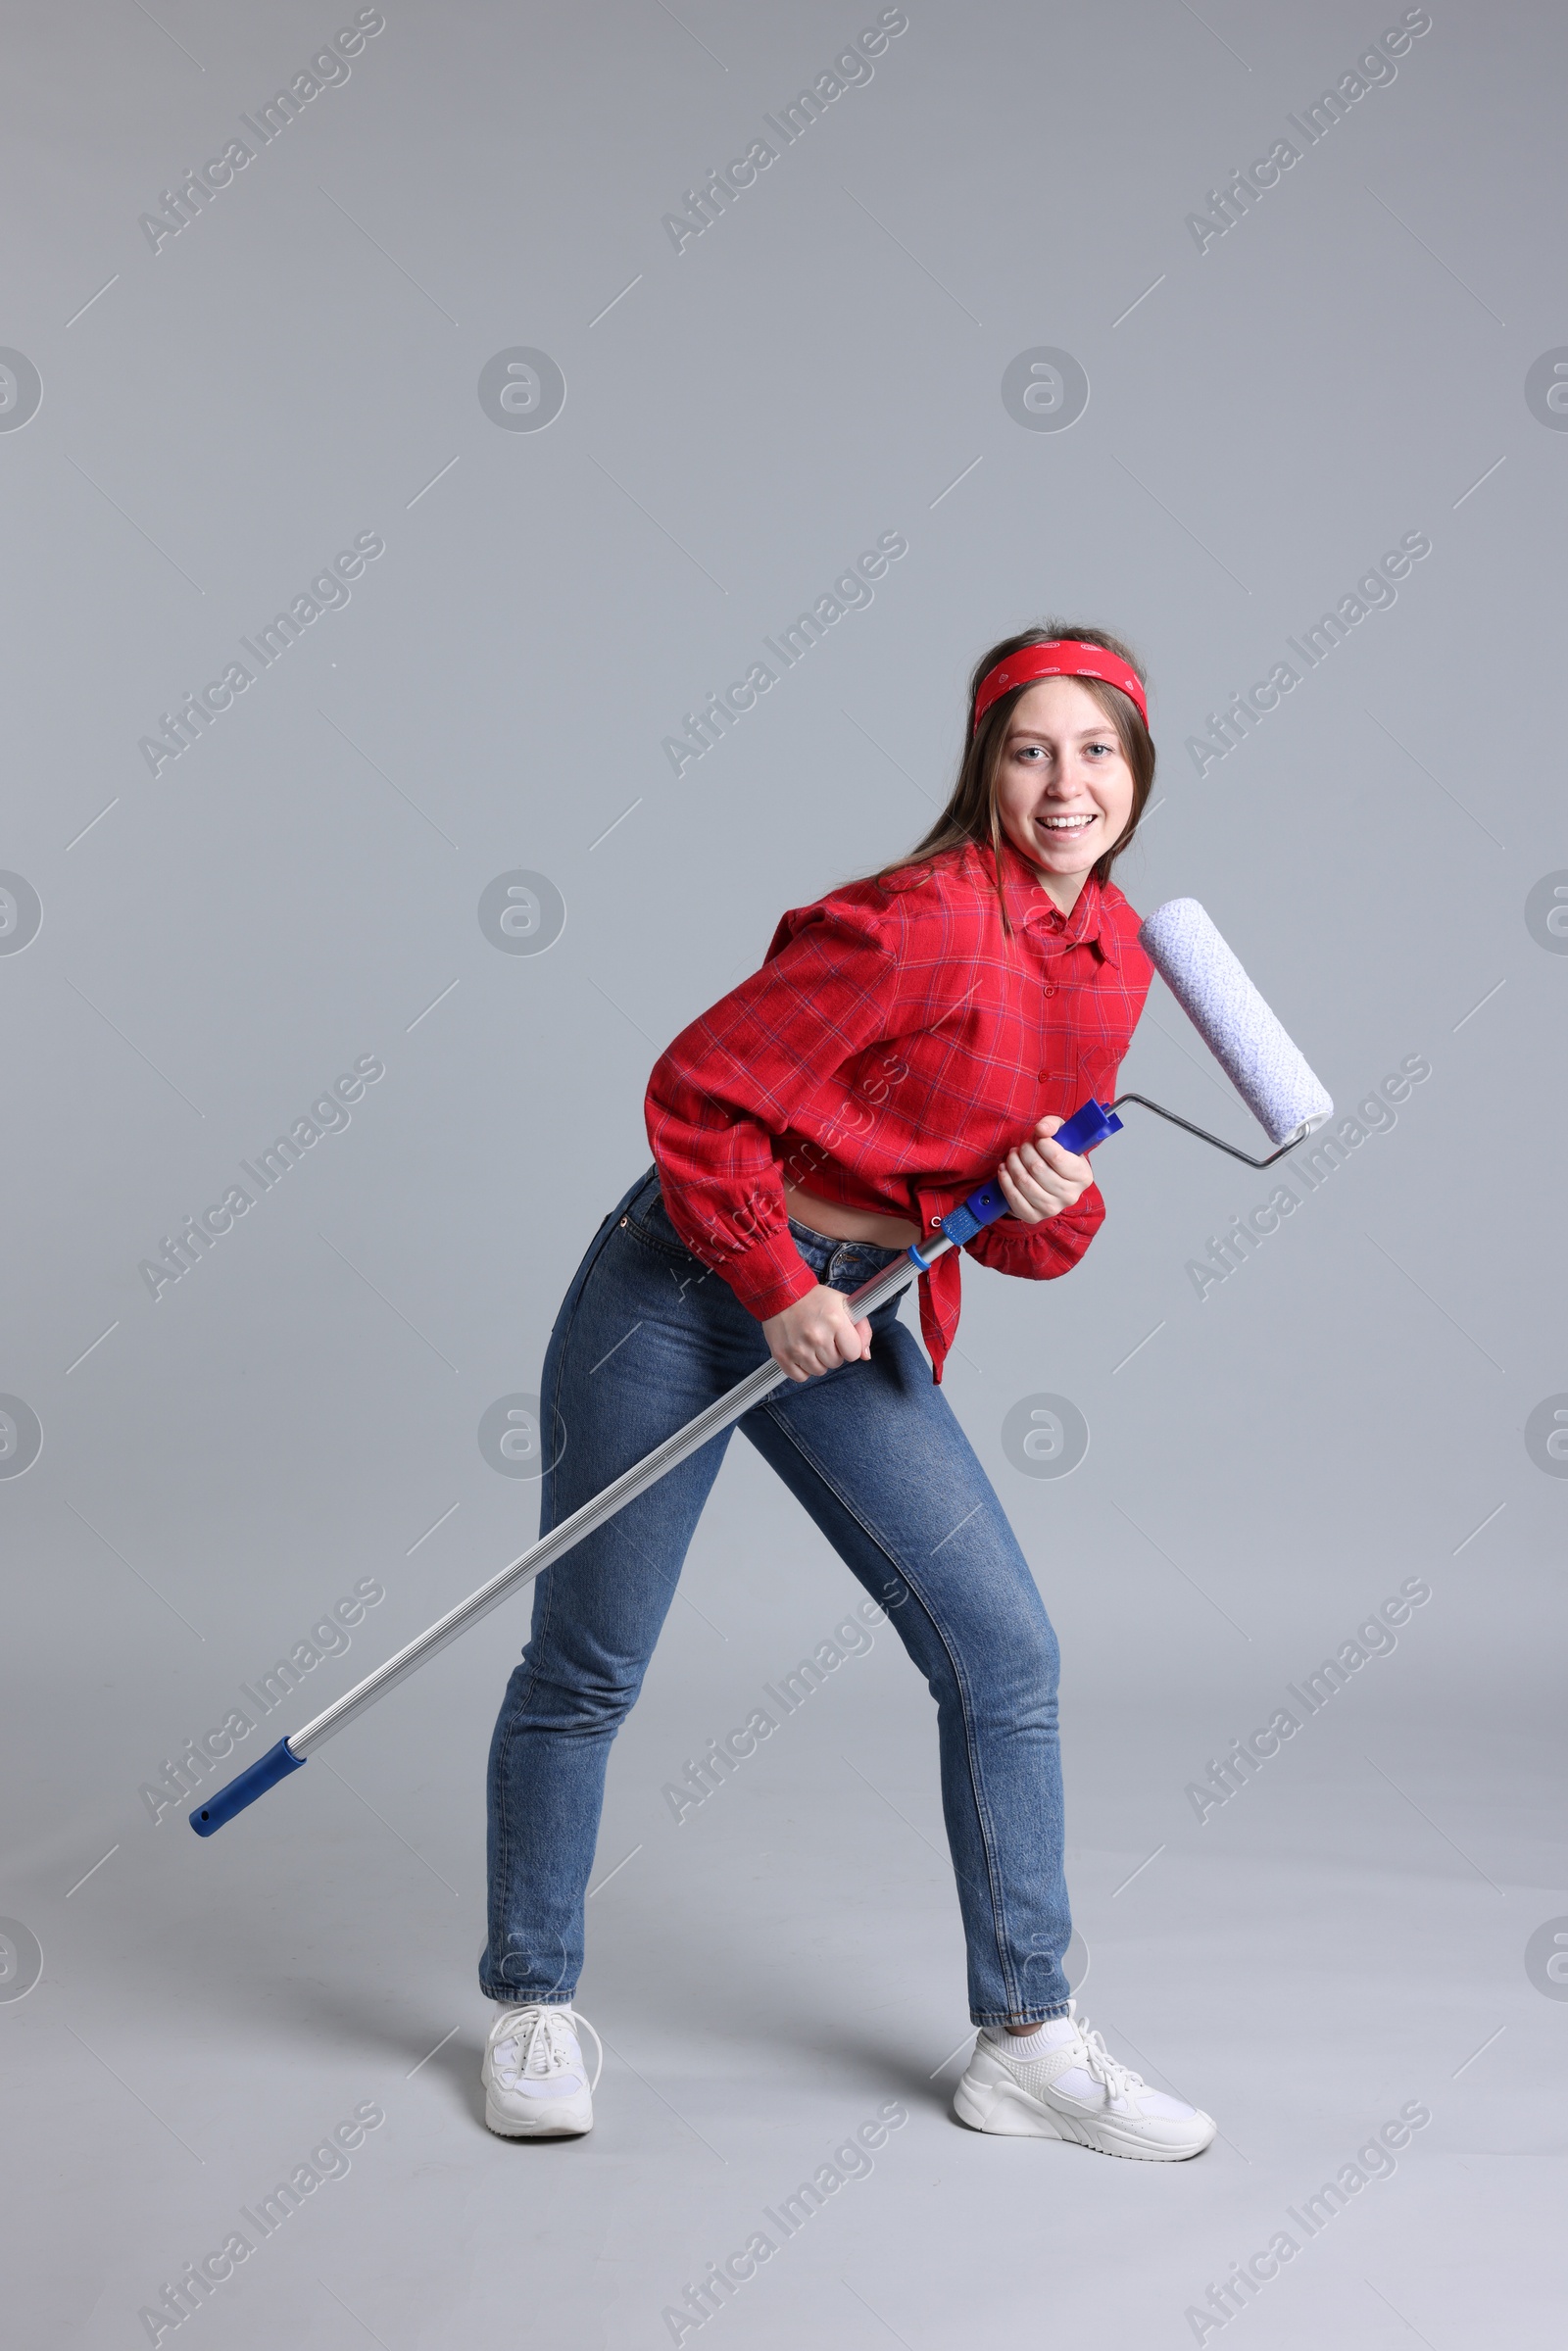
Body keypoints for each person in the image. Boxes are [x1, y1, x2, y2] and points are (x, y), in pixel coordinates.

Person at [478, 625, 1216, 2161]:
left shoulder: (1120, 956)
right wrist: (772, 1285)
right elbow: (697, 1097)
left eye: (1096, 751)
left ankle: (1025, 2039)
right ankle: (532, 2001)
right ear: (986, 768)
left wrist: (1043, 1187)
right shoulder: (919, 923)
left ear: (1138, 770)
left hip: (862, 1307)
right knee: (586, 1664)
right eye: (1031, 751)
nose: (1066, 784)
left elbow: (1031, 1233)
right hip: (686, 1280)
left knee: (1005, 1654)